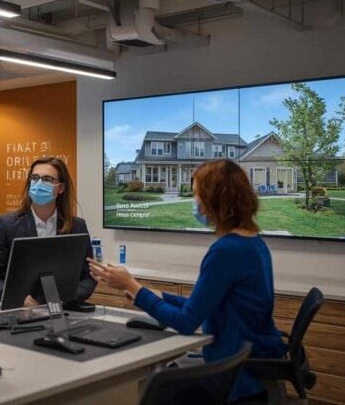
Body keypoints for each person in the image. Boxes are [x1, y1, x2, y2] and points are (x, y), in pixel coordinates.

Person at [90, 159, 287, 403]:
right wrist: (157, 295)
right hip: (250, 370)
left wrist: (132, 286)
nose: (195, 201)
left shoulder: (226, 251)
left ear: (215, 199)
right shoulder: (253, 242)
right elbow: (206, 305)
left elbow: (186, 322)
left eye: (197, 194)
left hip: (236, 382)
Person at [0, 157, 96, 307]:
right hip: (19, 311)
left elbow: (88, 276)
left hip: (63, 310)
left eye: (47, 179)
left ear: (61, 188)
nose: (39, 183)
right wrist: (17, 297)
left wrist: (67, 297)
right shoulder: (7, 225)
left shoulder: (77, 227)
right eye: (35, 178)